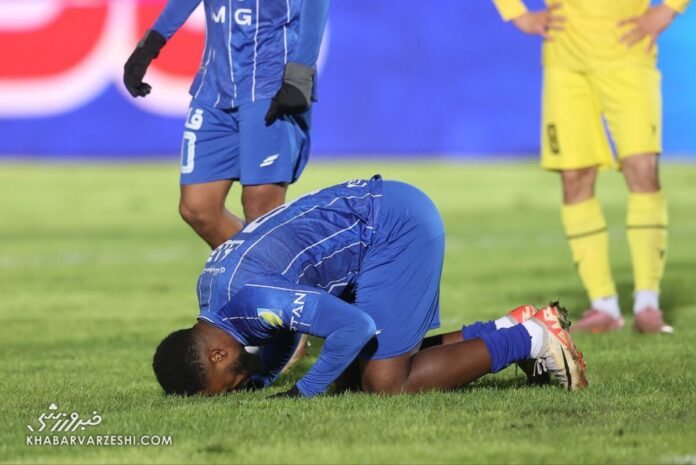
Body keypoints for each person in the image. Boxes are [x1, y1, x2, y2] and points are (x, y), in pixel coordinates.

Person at [152, 176, 587, 397]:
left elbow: (354, 327)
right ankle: (505, 329)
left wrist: (303, 391)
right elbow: (283, 327)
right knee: (350, 378)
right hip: (374, 217)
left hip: (392, 227)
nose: (235, 388)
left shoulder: (251, 300)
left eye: (227, 384)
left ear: (217, 355)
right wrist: (264, 377)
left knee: (384, 383)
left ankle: (533, 339)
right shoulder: (216, 294)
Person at [492, 0, 690, 333]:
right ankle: (604, 305)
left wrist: (669, 8)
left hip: (628, 53)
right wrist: (516, 13)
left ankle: (647, 304)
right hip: (566, 60)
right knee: (575, 177)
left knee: (642, 170)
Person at [123, 0, 329, 249]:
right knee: (198, 208)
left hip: (270, 84)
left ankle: (268, 270)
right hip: (214, 85)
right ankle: (268, 266)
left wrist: (300, 74)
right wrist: (149, 46)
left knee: (260, 208)